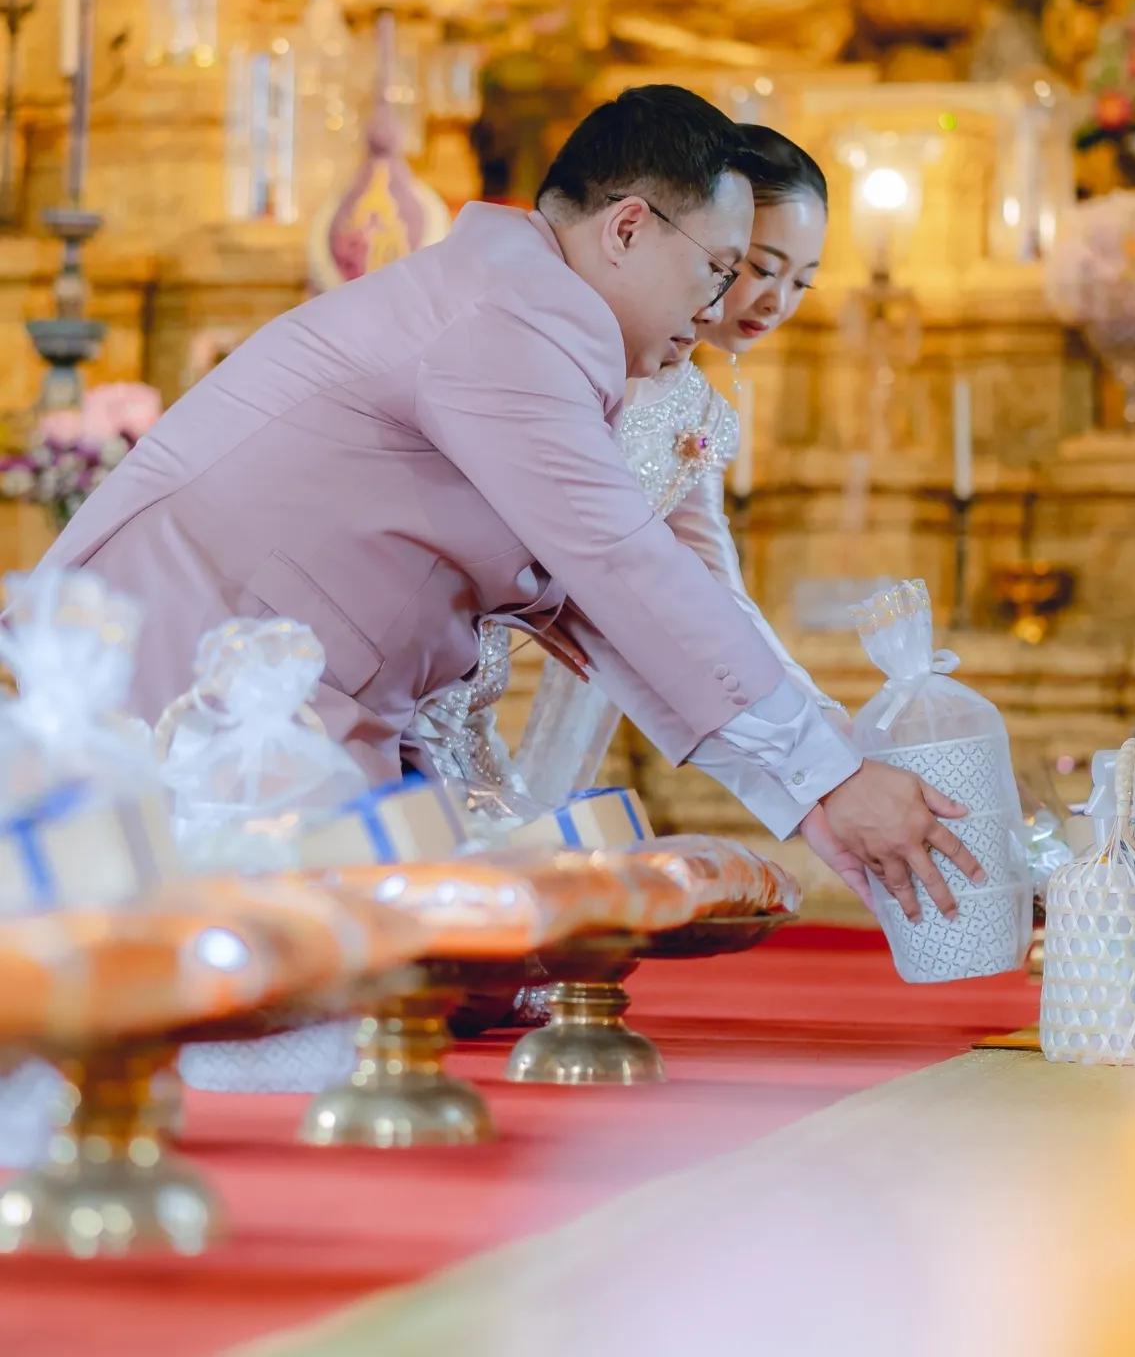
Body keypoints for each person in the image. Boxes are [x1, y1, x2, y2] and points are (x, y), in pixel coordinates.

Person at [40, 85, 978, 920]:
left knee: (447, 963)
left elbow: (607, 610)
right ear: (627, 228)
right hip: (190, 672)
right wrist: (828, 778)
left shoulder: (539, 316)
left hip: (305, 685)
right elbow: (620, 567)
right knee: (307, 984)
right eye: (720, 270)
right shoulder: (507, 322)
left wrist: (816, 790)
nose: (718, 309)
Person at [409, 126, 847, 822]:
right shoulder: (551, 349)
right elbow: (618, 571)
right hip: (412, 664)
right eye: (755, 268)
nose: (776, 301)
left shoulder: (697, 412)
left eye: (802, 282)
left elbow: (710, 585)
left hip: (478, 685)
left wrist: (820, 734)